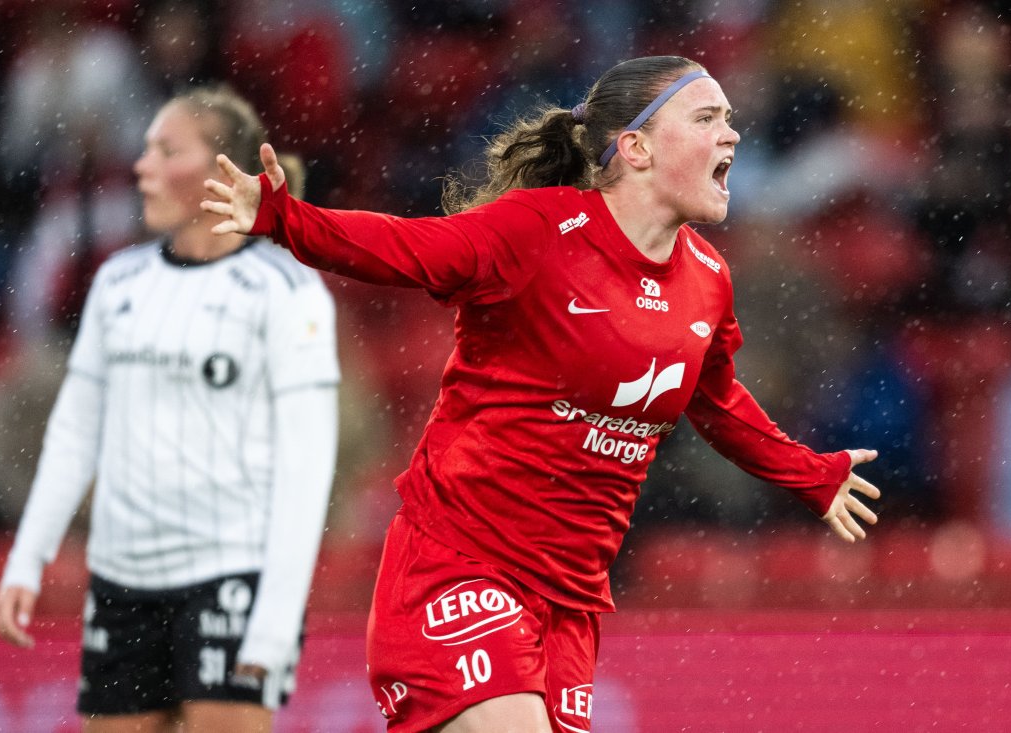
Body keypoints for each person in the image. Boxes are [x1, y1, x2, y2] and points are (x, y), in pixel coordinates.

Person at [202, 56, 881, 733]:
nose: (730, 134)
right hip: (459, 566)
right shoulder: (537, 232)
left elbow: (717, 399)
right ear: (636, 148)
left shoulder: (708, 278)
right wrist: (284, 219)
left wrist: (809, 472)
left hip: (570, 603)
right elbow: (406, 246)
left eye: (729, 119)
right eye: (706, 118)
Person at [0, 86, 341, 732]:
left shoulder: (288, 292)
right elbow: (75, 432)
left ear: (221, 172)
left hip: (231, 575)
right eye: (146, 148)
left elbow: (308, 464)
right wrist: (27, 559)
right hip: (121, 581)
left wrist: (274, 618)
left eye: (166, 150)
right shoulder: (116, 282)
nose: (142, 165)